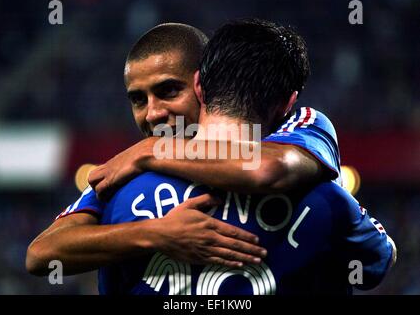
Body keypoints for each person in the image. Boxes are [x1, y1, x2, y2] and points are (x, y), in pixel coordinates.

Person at [92, 19, 395, 294]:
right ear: (287, 103)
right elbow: (380, 259)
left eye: (167, 91)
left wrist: (149, 152)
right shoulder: (327, 199)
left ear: (198, 86)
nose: (154, 113)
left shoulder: (120, 195)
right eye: (138, 99)